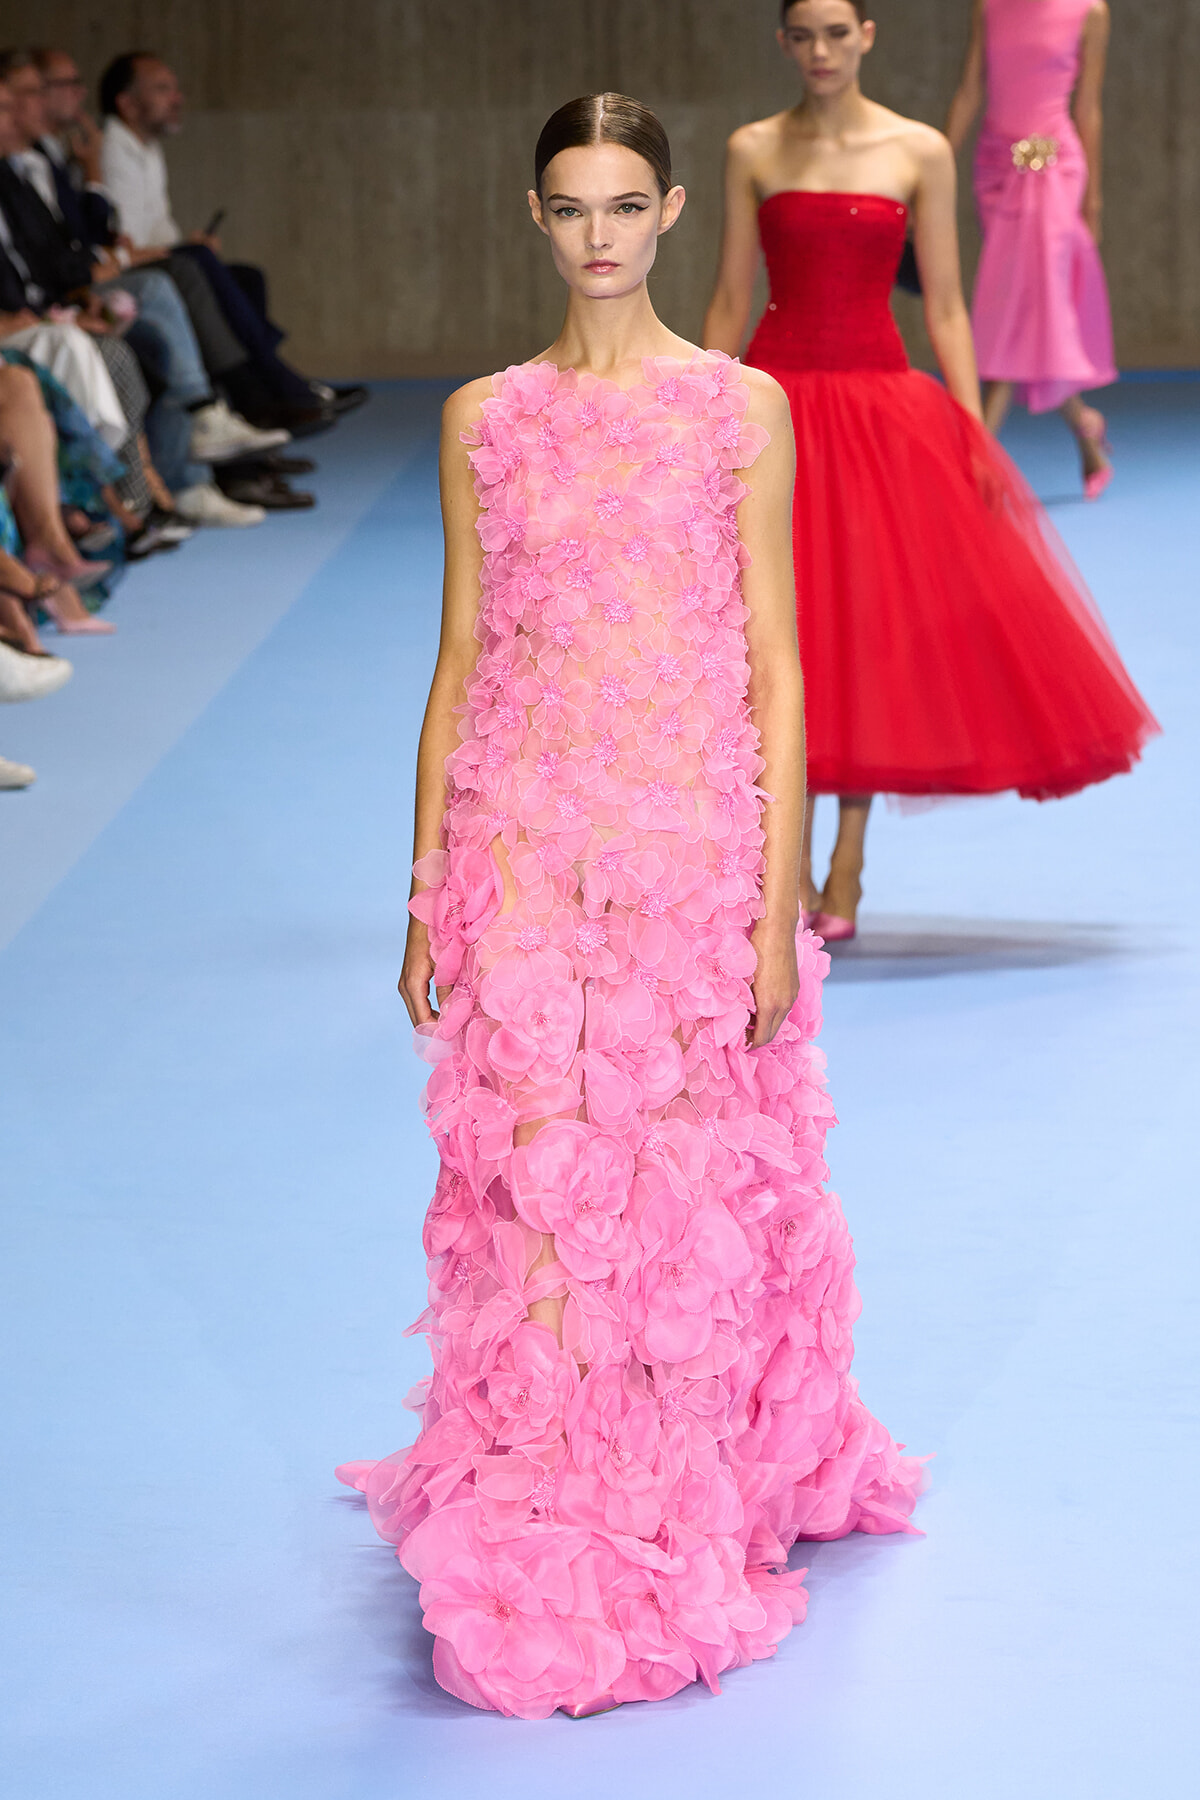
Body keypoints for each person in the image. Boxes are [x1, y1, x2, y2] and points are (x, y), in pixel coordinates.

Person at [336, 91, 924, 1721]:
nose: (598, 235)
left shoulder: (741, 411)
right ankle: (543, 1507)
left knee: (670, 1197)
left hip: (682, 852)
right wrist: (422, 887)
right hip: (522, 841)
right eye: (569, 206)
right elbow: (463, 657)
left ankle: (660, 1502)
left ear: (670, 214)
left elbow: (778, 666)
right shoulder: (483, 419)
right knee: (535, 1187)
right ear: (537, 219)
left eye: (624, 205)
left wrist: (775, 897)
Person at [702, 0, 1157, 939]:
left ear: (869, 36)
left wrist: (969, 433)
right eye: (804, 34)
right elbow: (727, 299)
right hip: (776, 410)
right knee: (774, 638)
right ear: (783, 44)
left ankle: (847, 866)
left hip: (880, 411)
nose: (822, 50)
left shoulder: (919, 150)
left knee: (864, 637)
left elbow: (948, 307)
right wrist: (698, 417)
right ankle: (784, 868)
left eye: (839, 32)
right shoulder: (752, 148)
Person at [98, 51, 367, 431]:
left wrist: (186, 244)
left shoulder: (145, 148)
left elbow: (156, 232)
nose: (178, 99)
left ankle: (266, 399)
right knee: (195, 263)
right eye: (162, 89)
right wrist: (180, 249)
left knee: (245, 276)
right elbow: (121, 247)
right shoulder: (111, 151)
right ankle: (273, 387)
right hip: (129, 272)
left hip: (156, 261)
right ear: (126, 103)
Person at [946, 0, 1116, 496]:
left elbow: (1088, 107)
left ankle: (977, 456)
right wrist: (932, 162)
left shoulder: (1091, 11)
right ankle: (1085, 428)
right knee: (1025, 308)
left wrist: (1095, 202)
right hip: (995, 167)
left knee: (1026, 303)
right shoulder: (989, 6)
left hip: (1056, 169)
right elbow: (970, 89)